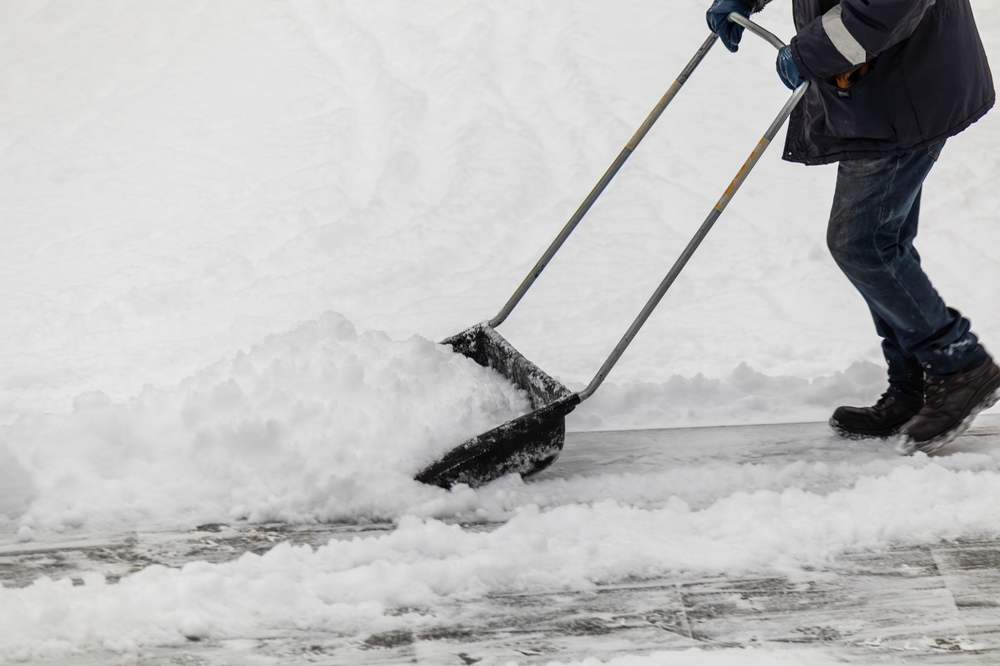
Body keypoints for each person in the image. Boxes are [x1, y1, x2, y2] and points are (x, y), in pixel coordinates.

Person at [706, 0, 1000, 454]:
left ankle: (959, 364)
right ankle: (915, 384)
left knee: (863, 244)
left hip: (905, 85)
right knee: (883, 243)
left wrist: (809, 53)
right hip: (876, 89)